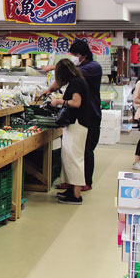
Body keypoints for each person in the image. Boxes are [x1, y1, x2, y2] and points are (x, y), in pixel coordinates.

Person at [43, 40, 102, 191]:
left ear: (83, 55)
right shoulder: (76, 71)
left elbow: (67, 72)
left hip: (89, 116)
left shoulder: (93, 68)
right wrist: (49, 90)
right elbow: (62, 78)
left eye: (75, 55)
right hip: (75, 117)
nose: (74, 57)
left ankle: (85, 182)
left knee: (85, 150)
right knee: (70, 153)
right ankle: (71, 181)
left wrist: (52, 67)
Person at [49, 58, 90, 205]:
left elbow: (76, 103)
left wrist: (59, 101)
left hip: (77, 125)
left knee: (74, 158)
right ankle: (71, 190)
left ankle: (76, 195)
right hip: (73, 125)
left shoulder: (77, 83)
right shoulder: (75, 81)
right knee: (67, 157)